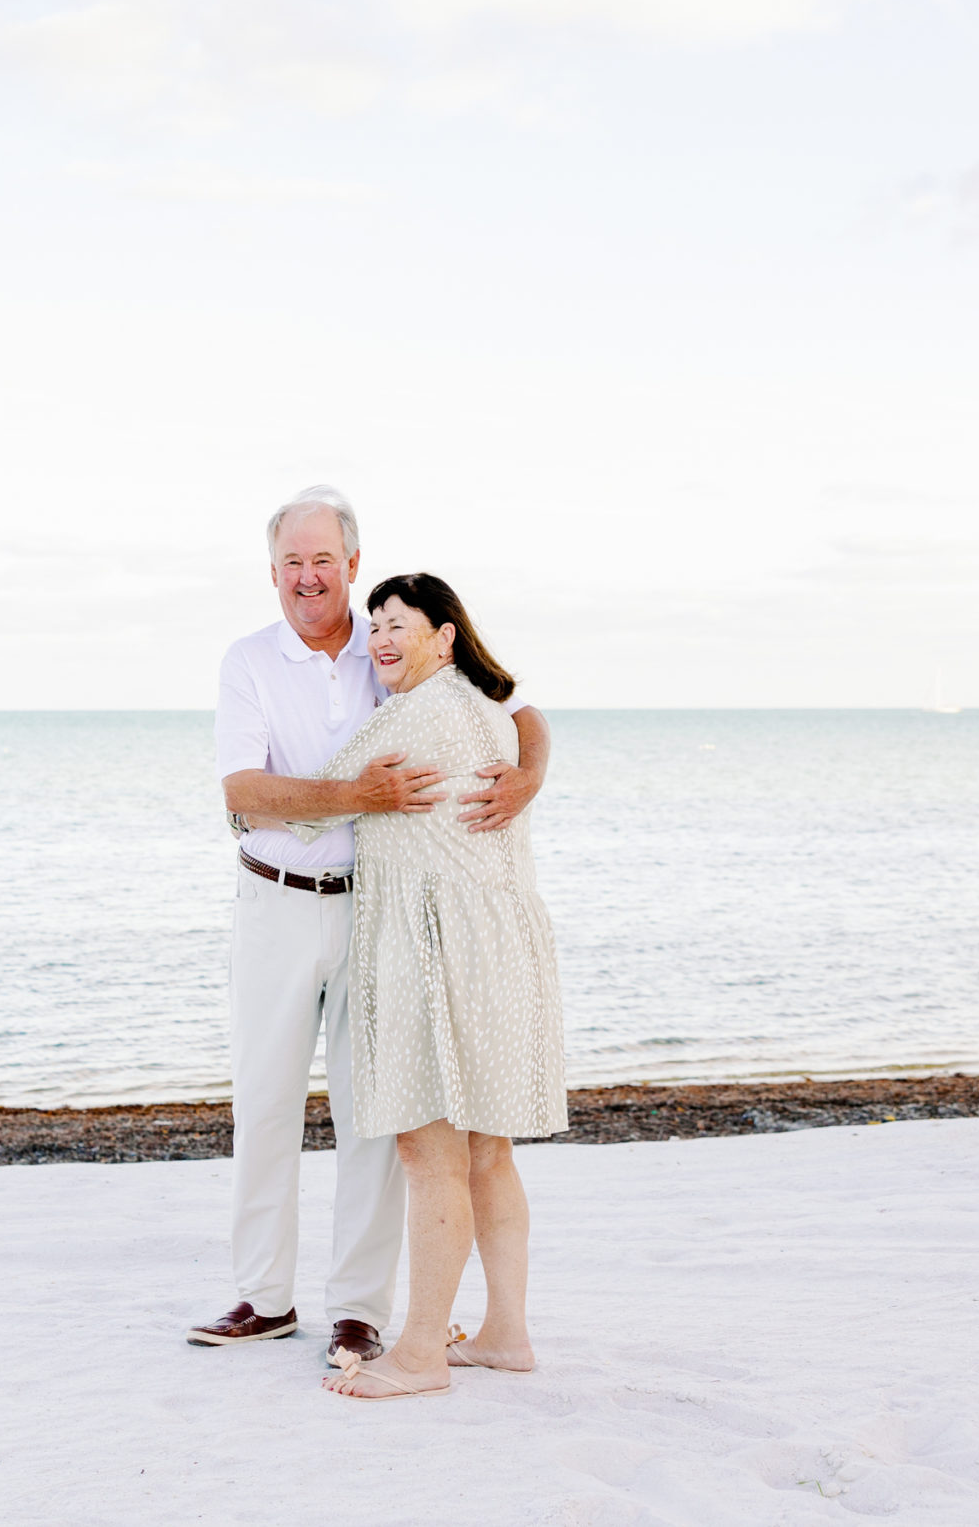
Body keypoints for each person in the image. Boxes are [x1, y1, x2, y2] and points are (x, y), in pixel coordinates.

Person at [191, 489, 552, 1368]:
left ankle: (357, 1310)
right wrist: (357, 795)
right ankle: (263, 1297)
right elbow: (242, 790)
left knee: (374, 1121)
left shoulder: (392, 646)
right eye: (291, 563)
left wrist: (529, 776)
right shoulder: (249, 661)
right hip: (275, 900)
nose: (307, 577)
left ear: (351, 564)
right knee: (265, 1104)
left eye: (322, 560)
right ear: (272, 571)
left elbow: (517, 711)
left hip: (376, 913)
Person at [287, 572, 569, 1401]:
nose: (377, 635)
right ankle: (505, 1334)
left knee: (430, 1151)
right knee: (487, 1151)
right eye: (372, 621)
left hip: (441, 951)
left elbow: (311, 808)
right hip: (503, 945)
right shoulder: (485, 709)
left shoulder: (412, 713)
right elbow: (528, 713)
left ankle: (419, 1353)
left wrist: (240, 804)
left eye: (397, 622)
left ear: (445, 636)